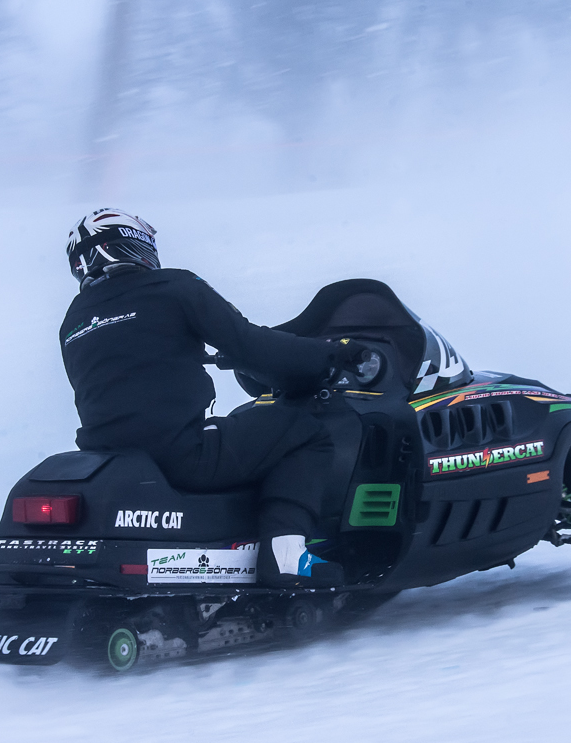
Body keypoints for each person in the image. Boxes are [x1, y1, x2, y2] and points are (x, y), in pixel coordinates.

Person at [59, 208, 366, 588]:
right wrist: (332, 354)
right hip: (183, 455)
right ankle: (286, 557)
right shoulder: (173, 287)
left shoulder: (74, 320)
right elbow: (252, 345)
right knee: (303, 430)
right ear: (135, 244)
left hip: (110, 457)